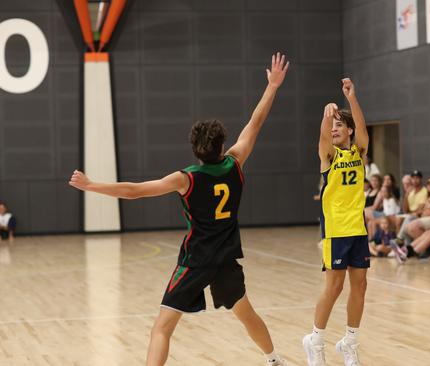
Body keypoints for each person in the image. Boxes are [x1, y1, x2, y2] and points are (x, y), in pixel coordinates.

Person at [69, 53, 289, 366]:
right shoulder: (235, 163)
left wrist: (91, 185)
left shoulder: (185, 179)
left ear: (196, 150)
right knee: (246, 314)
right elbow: (255, 123)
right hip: (226, 259)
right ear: (221, 145)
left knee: (161, 328)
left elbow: (134, 191)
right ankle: (275, 360)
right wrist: (272, 86)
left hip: (196, 261)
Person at [304, 78, 369, 366]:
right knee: (334, 287)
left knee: (361, 285)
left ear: (349, 130)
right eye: (333, 126)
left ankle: (349, 342)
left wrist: (352, 98)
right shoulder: (328, 156)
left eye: (340, 125)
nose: (334, 129)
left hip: (358, 227)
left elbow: (363, 130)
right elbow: (322, 138)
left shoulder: (359, 152)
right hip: (336, 230)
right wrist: (325, 117)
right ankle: (315, 339)